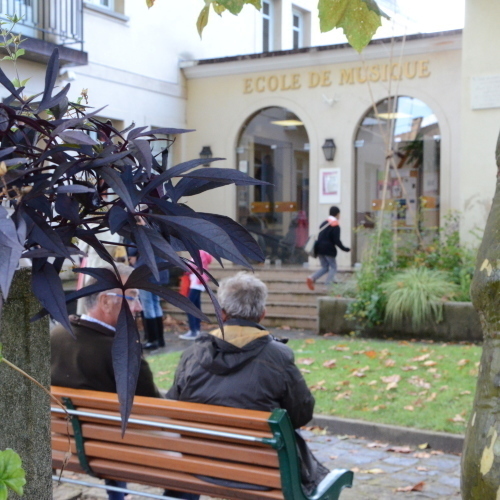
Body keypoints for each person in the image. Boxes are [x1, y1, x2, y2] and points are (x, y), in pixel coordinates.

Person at [167, 272, 329, 495]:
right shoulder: (278, 357)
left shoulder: (192, 354)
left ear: (222, 314)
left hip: (200, 465)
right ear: (262, 314)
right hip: (261, 472)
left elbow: (173, 407)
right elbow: (301, 413)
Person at [51, 263, 164, 500]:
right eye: (132, 298)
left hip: (60, 443)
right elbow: (155, 409)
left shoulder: (55, 336)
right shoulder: (122, 351)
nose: (139, 307)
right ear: (105, 301)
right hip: (115, 448)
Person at [307, 206, 350, 291]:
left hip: (319, 248)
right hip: (328, 249)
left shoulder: (324, 223)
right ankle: (327, 286)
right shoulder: (335, 225)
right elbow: (336, 240)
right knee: (333, 267)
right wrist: (345, 249)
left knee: (325, 267)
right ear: (337, 214)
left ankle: (312, 278)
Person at [179, 250, 213, 340]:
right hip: (198, 282)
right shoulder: (205, 252)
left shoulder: (200, 252)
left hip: (196, 282)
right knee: (196, 306)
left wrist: (185, 264)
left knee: (190, 306)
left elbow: (194, 266)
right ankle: (196, 330)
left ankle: (194, 331)